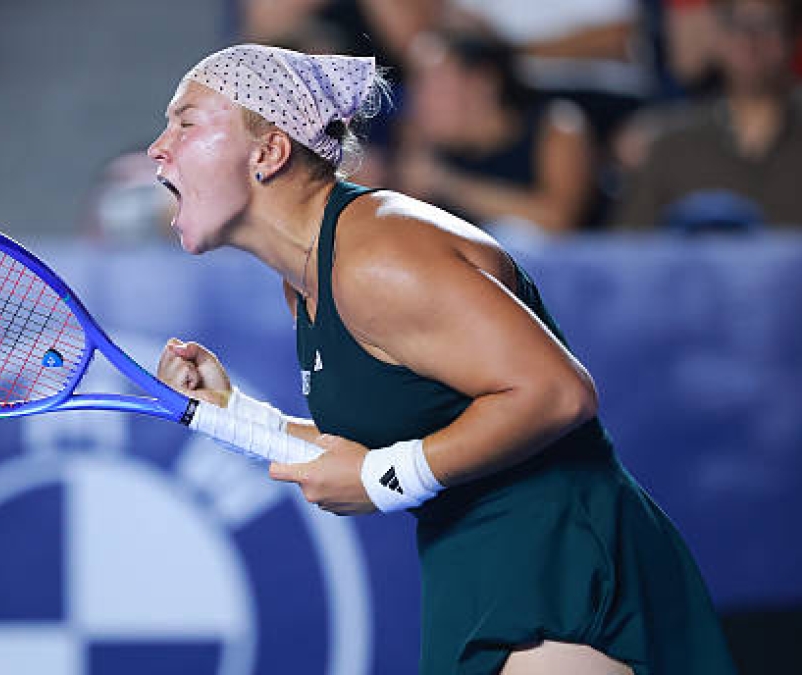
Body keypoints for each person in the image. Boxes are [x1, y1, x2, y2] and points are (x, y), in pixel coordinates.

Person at [148, 44, 736, 674]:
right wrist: (232, 414)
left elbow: (556, 393)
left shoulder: (377, 256)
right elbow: (372, 451)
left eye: (185, 122)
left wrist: (385, 480)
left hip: (561, 574)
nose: (158, 148)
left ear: (269, 152)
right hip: (487, 571)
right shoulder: (308, 282)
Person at [612, 0, 802, 229]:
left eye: (768, 25)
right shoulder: (672, 149)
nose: (749, 40)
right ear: (717, 33)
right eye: (734, 23)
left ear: (792, 34)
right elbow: (628, 250)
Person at [396, 30, 596, 234]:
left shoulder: (557, 125)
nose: (419, 103)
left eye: (434, 86)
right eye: (415, 87)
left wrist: (448, 185)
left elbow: (557, 220)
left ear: (483, 83)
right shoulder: (426, 147)